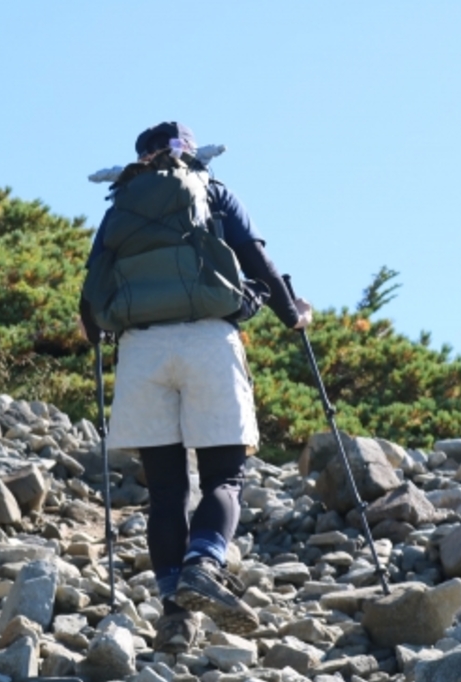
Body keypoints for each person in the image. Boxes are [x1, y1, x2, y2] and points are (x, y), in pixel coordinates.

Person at [79, 121, 313, 653]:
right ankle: (204, 564)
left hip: (141, 350)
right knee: (224, 478)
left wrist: (105, 335)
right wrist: (291, 314)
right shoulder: (213, 190)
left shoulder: (124, 204)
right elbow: (258, 263)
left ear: (141, 159)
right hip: (209, 340)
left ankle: (175, 619)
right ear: (192, 152)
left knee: (165, 492)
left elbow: (90, 304)